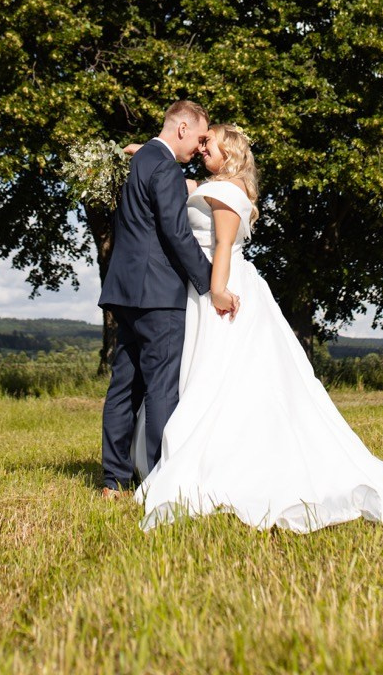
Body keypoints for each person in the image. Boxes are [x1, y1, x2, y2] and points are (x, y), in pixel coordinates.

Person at [135, 123, 383, 533]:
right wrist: (148, 153)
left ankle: (215, 460)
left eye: (209, 145)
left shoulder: (223, 193)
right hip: (221, 285)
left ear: (229, 153)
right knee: (226, 376)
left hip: (218, 288)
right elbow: (191, 186)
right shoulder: (227, 188)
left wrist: (215, 291)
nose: (202, 150)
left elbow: (221, 248)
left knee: (215, 376)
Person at [98, 100, 239, 498]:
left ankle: (114, 480)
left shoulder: (145, 160)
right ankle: (162, 479)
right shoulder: (163, 165)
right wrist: (209, 284)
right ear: (181, 129)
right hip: (158, 294)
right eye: (197, 137)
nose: (199, 147)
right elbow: (176, 233)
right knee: (161, 388)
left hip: (124, 291)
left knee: (125, 386)